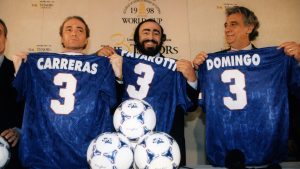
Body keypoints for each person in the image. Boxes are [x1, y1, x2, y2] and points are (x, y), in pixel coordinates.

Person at [193, 6, 300, 167]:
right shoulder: (211, 64)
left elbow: (296, 91)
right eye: (226, 25)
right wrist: (198, 72)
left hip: (265, 146)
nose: (227, 29)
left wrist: (298, 61)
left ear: (249, 28)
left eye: (233, 24)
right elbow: (202, 103)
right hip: (228, 151)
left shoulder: (274, 60)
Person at [12, 16, 116, 169]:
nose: (74, 33)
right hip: (45, 150)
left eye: (80, 30)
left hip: (81, 148)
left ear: (87, 40)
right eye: (69, 29)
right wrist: (18, 69)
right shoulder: (36, 64)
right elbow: (20, 95)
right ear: (61, 37)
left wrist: (116, 74)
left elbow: (112, 103)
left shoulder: (101, 66)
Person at [98, 19, 198, 166]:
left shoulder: (175, 68)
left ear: (162, 39)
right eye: (146, 32)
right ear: (137, 38)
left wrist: (191, 78)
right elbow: (110, 103)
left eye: (156, 33)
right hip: (127, 144)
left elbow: (191, 106)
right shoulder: (120, 62)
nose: (151, 36)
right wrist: (101, 58)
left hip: (163, 145)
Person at [0, 18, 24, 169]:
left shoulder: (18, 71)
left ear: (5, 39)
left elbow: (29, 109)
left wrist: (19, 130)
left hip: (8, 154)